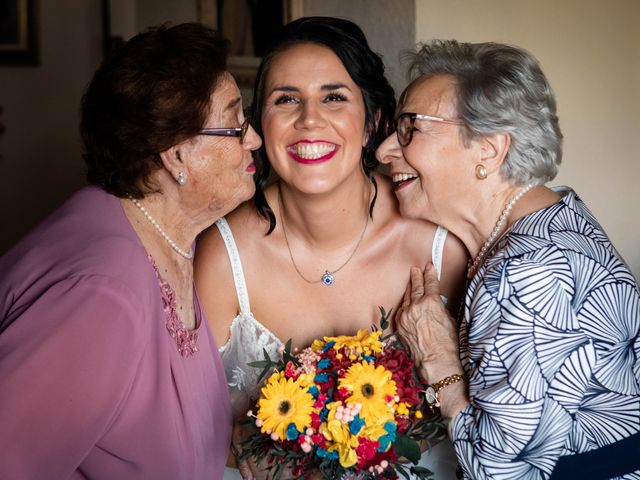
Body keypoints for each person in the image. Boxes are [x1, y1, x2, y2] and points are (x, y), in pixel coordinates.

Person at [195, 16, 468, 480]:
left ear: (373, 122)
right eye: (286, 100)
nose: (309, 120)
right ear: (260, 125)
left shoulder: (441, 247)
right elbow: (189, 428)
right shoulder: (223, 256)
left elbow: (497, 423)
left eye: (334, 97)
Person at [0, 23, 262, 479]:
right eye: (235, 124)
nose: (253, 138)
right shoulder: (102, 297)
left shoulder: (170, 236)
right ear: (176, 155)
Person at [377, 39, 640, 479]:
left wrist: (439, 362)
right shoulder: (557, 213)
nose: (386, 150)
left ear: (489, 149)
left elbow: (499, 472)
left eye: (410, 127)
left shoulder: (526, 271)